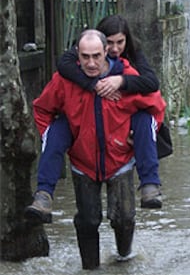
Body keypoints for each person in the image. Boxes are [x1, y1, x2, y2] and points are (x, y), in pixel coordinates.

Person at [32, 29, 166, 269]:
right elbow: (42, 109)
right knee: (87, 221)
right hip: (83, 160)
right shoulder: (64, 80)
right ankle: (89, 268)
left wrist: (142, 137)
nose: (91, 63)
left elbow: (156, 108)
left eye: (96, 55)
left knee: (124, 219)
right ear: (77, 55)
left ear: (107, 51)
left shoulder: (127, 76)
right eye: (85, 57)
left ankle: (124, 258)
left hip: (120, 159)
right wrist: (52, 138)